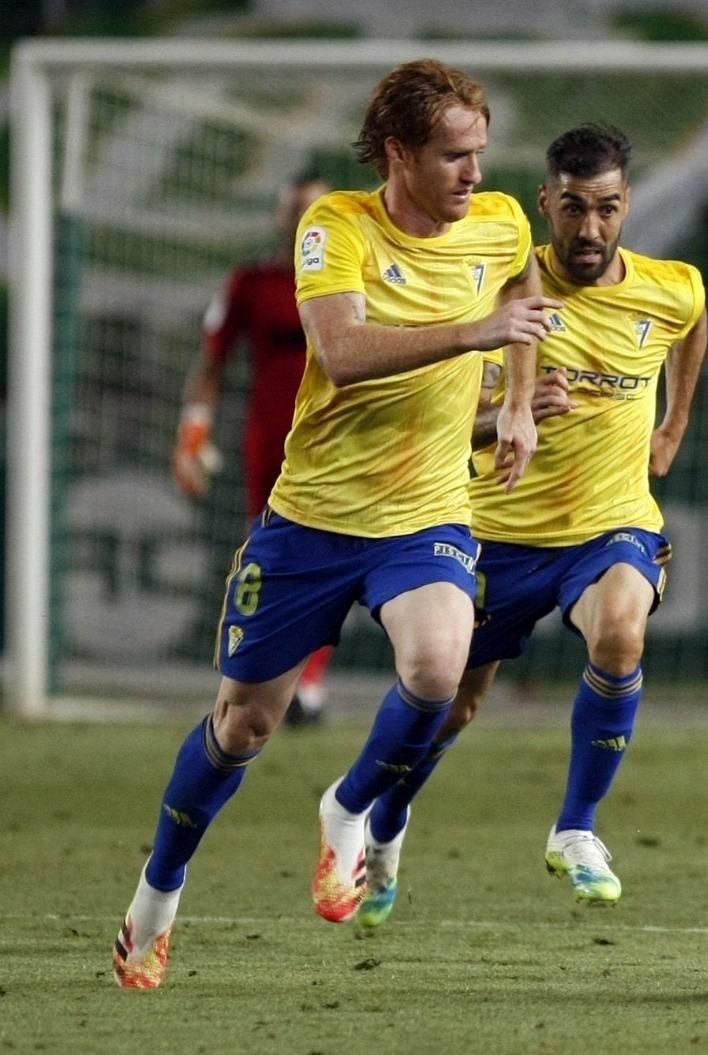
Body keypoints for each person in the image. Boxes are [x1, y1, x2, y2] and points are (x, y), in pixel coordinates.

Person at [112, 59, 558, 990]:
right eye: (454, 155)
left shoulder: (502, 222)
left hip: (425, 512)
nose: (476, 173)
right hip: (311, 518)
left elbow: (523, 300)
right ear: (398, 152)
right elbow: (344, 352)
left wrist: (514, 406)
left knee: (438, 666)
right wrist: (472, 336)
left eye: (480, 152)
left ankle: (349, 808)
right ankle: (158, 892)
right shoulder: (336, 226)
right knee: (242, 726)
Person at [354, 123, 708, 924]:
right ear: (545, 202)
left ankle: (576, 828)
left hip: (608, 525)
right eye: (574, 208)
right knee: (453, 705)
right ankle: (384, 821)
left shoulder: (672, 287)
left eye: (607, 208)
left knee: (621, 634)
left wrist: (674, 422)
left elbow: (693, 324)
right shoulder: (498, 296)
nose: (590, 228)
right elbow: (443, 423)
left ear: (627, 205)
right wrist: (507, 416)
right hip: (495, 532)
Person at [172, 170, 336, 726]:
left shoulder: (353, 279)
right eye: (293, 209)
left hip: (337, 442)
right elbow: (211, 360)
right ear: (278, 215)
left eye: (312, 210)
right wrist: (193, 433)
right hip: (269, 444)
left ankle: (307, 683)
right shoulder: (252, 282)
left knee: (329, 561)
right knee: (270, 564)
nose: (301, 221)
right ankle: (265, 677)